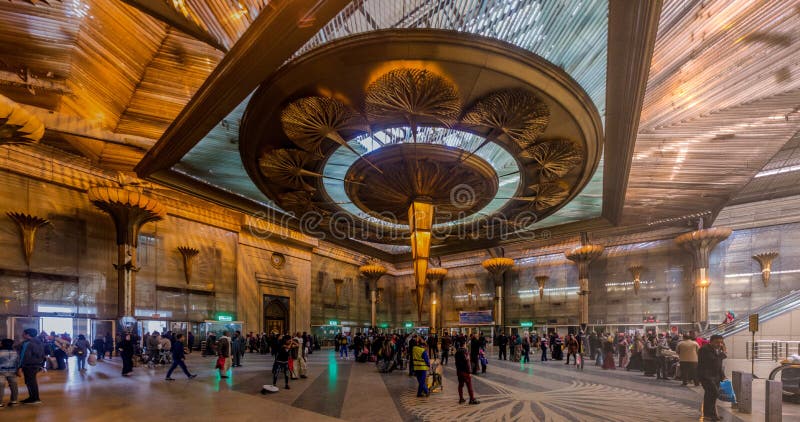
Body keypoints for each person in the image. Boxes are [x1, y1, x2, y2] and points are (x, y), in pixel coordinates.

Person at [697, 334, 727, 421]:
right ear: (711, 341)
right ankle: (708, 414)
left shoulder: (717, 350)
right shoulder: (704, 349)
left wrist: (722, 375)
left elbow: (718, 365)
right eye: (717, 342)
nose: (719, 344)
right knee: (713, 393)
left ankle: (711, 414)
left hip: (716, 376)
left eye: (721, 342)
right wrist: (723, 353)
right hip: (707, 376)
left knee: (711, 396)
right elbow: (712, 360)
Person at [18, 328, 45, 403]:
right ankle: (33, 397)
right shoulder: (39, 342)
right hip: (37, 364)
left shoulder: (28, 343)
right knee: (32, 381)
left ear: (27, 335)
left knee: (30, 382)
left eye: (23, 333)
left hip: (29, 365)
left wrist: (20, 366)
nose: (22, 335)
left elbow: (24, 356)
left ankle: (34, 398)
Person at [0, 338, 19, 407]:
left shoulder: (0, 352)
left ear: (2, 344)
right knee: (14, 386)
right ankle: (14, 401)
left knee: (1, 387)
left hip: (1, 372)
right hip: (12, 371)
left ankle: (0, 403)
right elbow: (18, 362)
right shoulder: (15, 352)